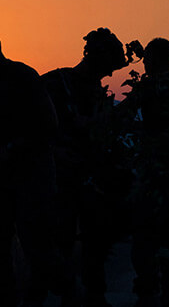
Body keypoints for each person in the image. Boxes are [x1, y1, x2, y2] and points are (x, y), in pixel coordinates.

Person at [0, 22, 62, 306]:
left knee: (37, 246)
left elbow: (50, 127)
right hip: (0, 177)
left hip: (34, 173)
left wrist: (15, 148)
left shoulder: (24, 77)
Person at [42, 28, 133, 307]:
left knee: (96, 239)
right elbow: (38, 127)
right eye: (107, 67)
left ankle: (92, 293)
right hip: (62, 178)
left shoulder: (93, 90)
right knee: (62, 241)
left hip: (89, 178)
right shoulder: (56, 83)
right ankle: (64, 292)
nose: (108, 74)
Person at [117, 38, 169, 307]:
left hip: (154, 175)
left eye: (148, 57)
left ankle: (148, 292)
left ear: (156, 59)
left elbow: (120, 117)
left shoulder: (149, 87)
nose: (144, 62)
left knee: (144, 235)